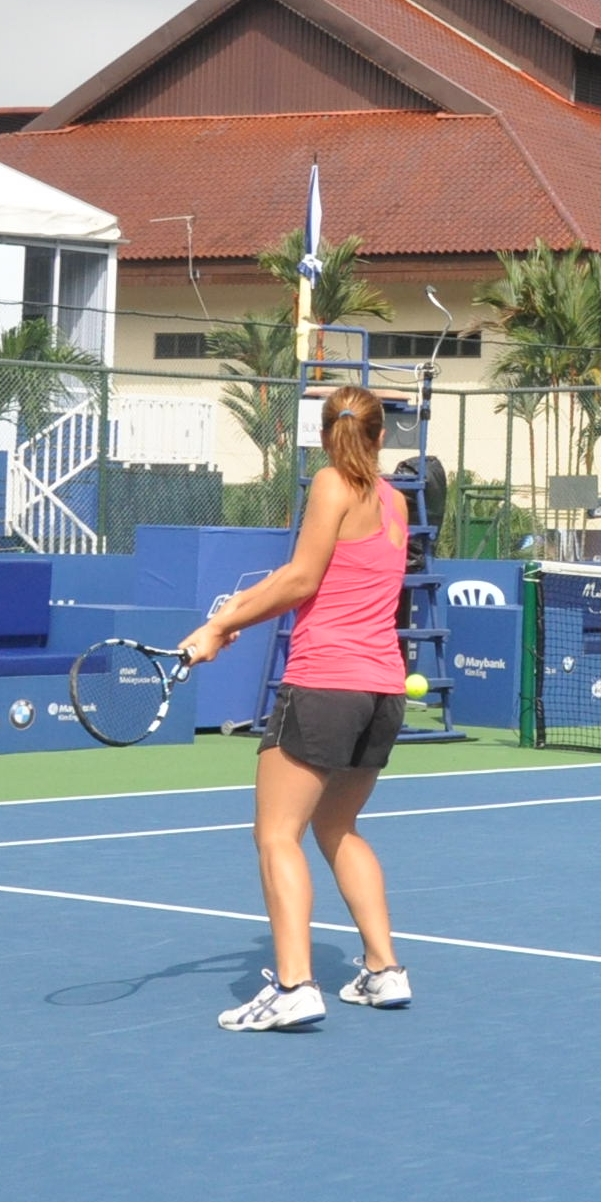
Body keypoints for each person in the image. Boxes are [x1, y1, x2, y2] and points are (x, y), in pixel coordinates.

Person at [179, 384, 416, 1031]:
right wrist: (230, 628)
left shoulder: (332, 485)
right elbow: (330, 582)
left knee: (276, 834)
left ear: (322, 435)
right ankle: (383, 968)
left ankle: (293, 985)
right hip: (382, 692)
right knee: (338, 828)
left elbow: (300, 578)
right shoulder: (395, 503)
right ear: (381, 435)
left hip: (325, 686)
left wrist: (220, 622)